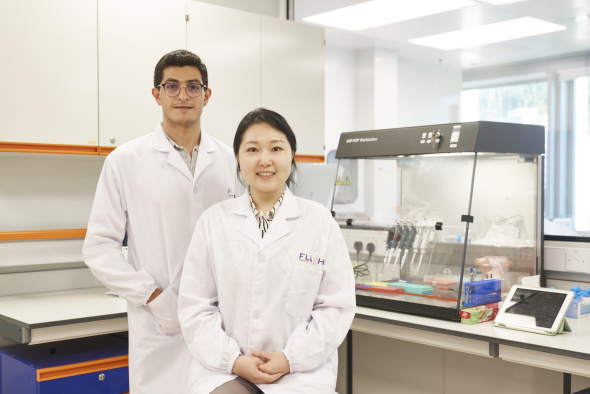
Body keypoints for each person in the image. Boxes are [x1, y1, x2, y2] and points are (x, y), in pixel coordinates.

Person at [82, 49, 239, 393]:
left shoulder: (230, 159)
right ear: (157, 94)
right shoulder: (125, 160)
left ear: (206, 95)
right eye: (172, 86)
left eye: (193, 87)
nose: (183, 95)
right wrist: (153, 297)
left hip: (222, 324)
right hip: (160, 325)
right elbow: (99, 248)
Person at [178, 108, 356, 394]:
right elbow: (196, 307)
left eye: (276, 148)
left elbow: (336, 306)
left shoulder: (319, 221)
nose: (265, 160)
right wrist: (233, 360)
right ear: (238, 157)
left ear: (291, 154)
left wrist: (290, 359)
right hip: (226, 370)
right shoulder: (214, 222)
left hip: (301, 373)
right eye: (252, 149)